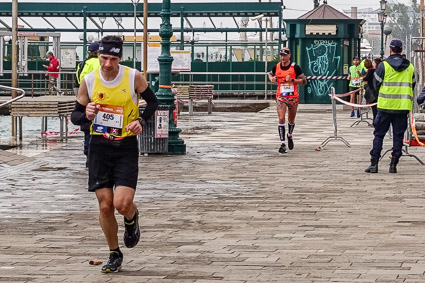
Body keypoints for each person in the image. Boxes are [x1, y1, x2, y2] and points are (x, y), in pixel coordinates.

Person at [70, 35, 158, 273]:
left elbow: (152, 102)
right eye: (104, 57)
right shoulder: (89, 80)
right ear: (98, 55)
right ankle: (114, 253)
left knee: (122, 203)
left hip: (126, 146)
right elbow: (75, 117)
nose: (108, 63)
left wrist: (141, 120)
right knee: (106, 206)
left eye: (113, 58)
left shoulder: (132, 76)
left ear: (121, 58)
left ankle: (132, 217)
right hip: (99, 146)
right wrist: (86, 114)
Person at [365, 39, 415, 174]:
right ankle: (393, 164)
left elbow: (375, 84)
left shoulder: (383, 65)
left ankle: (374, 164)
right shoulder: (410, 66)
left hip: (385, 106)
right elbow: (413, 84)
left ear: (390, 49)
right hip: (402, 106)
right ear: (402, 49)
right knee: (398, 136)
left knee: (379, 135)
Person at [268, 47, 307, 154]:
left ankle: (289, 135)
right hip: (281, 96)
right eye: (281, 55)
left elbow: (304, 81)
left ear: (289, 55)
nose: (282, 57)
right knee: (281, 119)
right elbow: (270, 74)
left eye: (285, 55)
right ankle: (282, 143)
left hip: (293, 97)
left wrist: (293, 80)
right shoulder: (276, 67)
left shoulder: (295, 67)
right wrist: (271, 78)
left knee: (291, 120)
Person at [74, 41, 101, 167]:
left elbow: (78, 79)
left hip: (83, 97)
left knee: (87, 127)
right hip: (97, 97)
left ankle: (88, 155)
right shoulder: (98, 63)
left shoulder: (82, 64)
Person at [362, 57, 382, 123]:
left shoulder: (371, 70)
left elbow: (367, 78)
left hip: (372, 91)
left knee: (374, 108)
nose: (372, 64)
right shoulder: (379, 70)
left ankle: (375, 121)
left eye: (374, 62)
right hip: (379, 91)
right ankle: (377, 120)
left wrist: (362, 79)